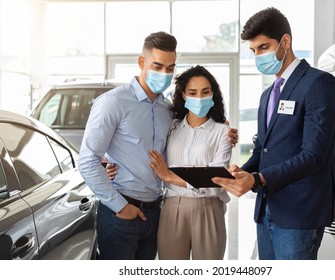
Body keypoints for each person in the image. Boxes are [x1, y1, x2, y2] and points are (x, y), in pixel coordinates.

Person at [78, 32, 237, 260]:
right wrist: (120, 206)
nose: (164, 73)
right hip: (121, 212)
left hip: (156, 212)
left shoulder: (167, 110)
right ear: (142, 62)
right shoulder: (113, 102)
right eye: (158, 66)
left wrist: (222, 129)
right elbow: (87, 159)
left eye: (170, 67)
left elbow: (189, 131)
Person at [212, 7, 335, 260]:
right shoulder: (267, 94)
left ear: (285, 41)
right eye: (253, 50)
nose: (258, 56)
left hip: (299, 211)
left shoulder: (318, 83)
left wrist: (258, 179)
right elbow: (263, 149)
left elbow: (314, 155)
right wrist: (244, 172)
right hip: (267, 209)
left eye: (263, 47)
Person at [148, 65, 231, 260]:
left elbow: (215, 183)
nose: (199, 98)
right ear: (184, 95)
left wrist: (168, 176)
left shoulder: (223, 133)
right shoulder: (172, 127)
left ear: (213, 94)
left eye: (205, 92)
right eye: (192, 92)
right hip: (172, 208)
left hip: (209, 209)